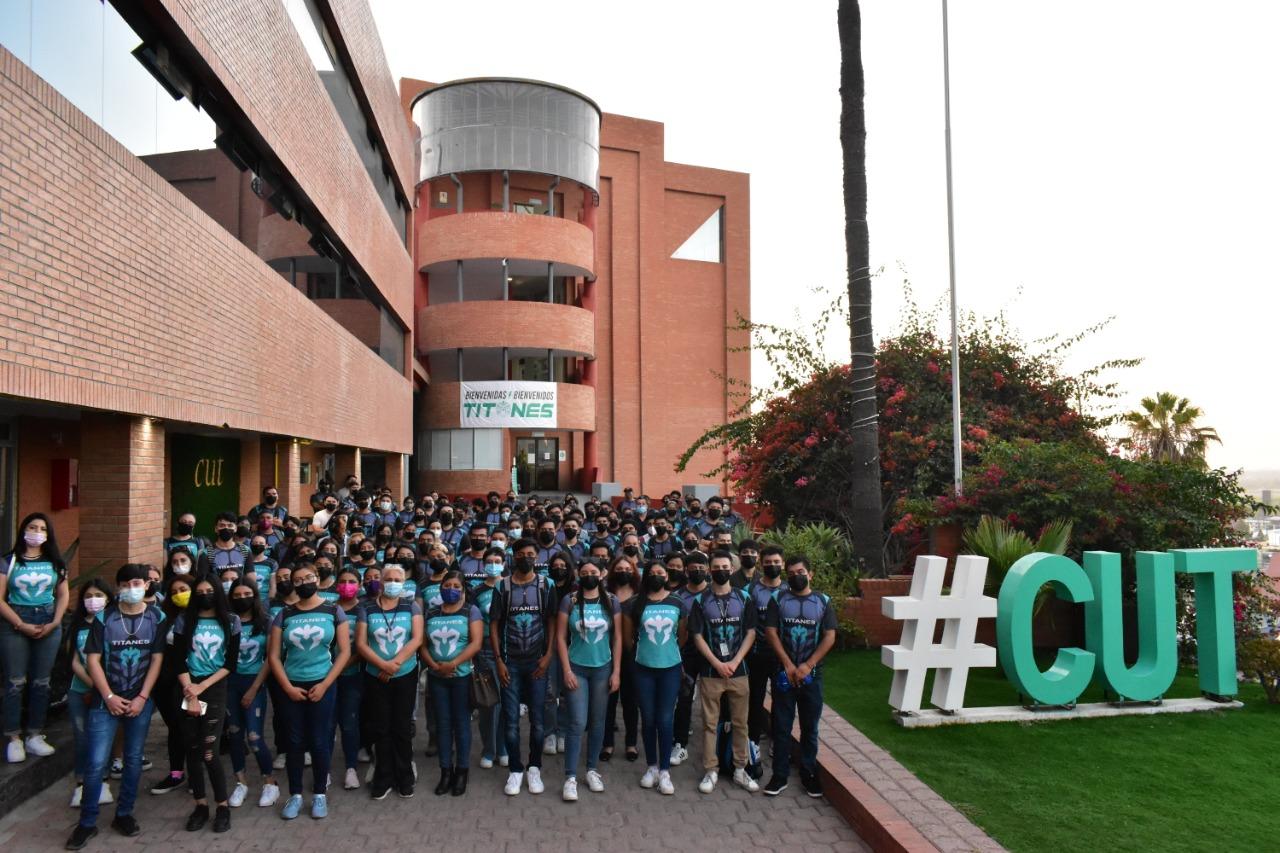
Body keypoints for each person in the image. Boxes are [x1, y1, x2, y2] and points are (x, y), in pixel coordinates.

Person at [65, 564, 167, 851]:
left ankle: (124, 814)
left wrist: (143, 697)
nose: (132, 587)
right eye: (126, 583)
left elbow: (157, 659)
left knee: (133, 759)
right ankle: (86, 823)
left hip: (140, 700)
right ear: (119, 587)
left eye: (137, 582)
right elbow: (93, 660)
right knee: (96, 763)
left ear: (146, 585)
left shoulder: (157, 618)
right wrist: (108, 696)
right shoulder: (103, 618)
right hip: (103, 701)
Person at [267, 562, 351, 820]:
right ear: (293, 583)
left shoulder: (333, 610)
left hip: (322, 684)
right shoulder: (285, 614)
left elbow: (344, 652)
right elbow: (273, 656)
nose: (304, 583)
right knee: (294, 742)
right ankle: (294, 795)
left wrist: (326, 684)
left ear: (317, 578)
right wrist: (288, 688)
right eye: (299, 579)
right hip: (291, 686)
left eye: (309, 577)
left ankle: (318, 795)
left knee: (319, 740)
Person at [763, 556, 837, 798]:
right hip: (783, 674)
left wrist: (808, 665)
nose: (797, 575)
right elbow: (771, 632)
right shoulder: (778, 599)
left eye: (801, 571)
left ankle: (808, 774)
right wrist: (787, 664)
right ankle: (779, 775)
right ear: (786, 576)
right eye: (792, 572)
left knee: (809, 728)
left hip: (811, 676)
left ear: (811, 574)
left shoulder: (823, 602)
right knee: (781, 727)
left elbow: (829, 636)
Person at [1, 512, 70, 763]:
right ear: (23, 530)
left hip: (48, 621)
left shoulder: (56, 562)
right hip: (14, 623)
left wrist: (55, 622)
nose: (37, 532)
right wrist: (20, 624)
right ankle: (13, 737)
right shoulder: (9, 561)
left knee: (42, 682)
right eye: (32, 527)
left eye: (42, 528)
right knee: (15, 681)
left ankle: (34, 734)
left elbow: (63, 595)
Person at [490, 539, 557, 797]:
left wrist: (548, 655)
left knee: (538, 722)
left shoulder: (546, 585)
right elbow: (494, 625)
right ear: (513, 557)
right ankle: (516, 770)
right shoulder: (502, 586)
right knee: (510, 721)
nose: (525, 558)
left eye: (531, 554)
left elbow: (552, 622)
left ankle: (534, 767)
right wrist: (498, 660)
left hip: (537, 662)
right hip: (510, 663)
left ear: (537, 557)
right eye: (521, 554)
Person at [173, 576, 239, 833]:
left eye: (209, 591)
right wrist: (190, 691)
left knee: (209, 751)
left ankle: (222, 806)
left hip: (214, 688)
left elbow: (229, 664)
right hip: (188, 686)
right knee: (191, 748)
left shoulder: (230, 621)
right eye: (199, 592)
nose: (204, 595)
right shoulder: (183, 621)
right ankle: (200, 805)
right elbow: (178, 659)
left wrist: (202, 688)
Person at [689, 550, 758, 793]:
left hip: (739, 671)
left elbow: (751, 632)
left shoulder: (745, 597)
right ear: (709, 570)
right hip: (710, 671)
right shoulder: (700, 601)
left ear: (732, 569)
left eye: (725, 566)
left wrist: (736, 660)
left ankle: (740, 768)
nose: (721, 570)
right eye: (716, 567)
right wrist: (717, 663)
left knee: (741, 722)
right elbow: (696, 635)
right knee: (709, 723)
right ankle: (711, 769)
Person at [621, 562, 689, 795]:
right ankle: (651, 766)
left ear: (667, 576)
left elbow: (683, 635)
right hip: (643, 668)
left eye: (661, 573)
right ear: (645, 577)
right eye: (652, 573)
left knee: (665, 718)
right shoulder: (634, 604)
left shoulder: (678, 602)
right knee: (648, 718)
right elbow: (629, 638)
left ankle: (665, 771)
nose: (657, 576)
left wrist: (667, 653)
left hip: (670, 667)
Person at [357, 562, 423, 799]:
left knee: (402, 727)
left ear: (404, 583)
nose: (392, 584)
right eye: (388, 579)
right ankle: (383, 777)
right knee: (381, 727)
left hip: (404, 673)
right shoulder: (367, 608)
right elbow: (361, 644)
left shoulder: (411, 606)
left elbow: (416, 639)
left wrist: (394, 664)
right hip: (376, 675)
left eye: (397, 580)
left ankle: (405, 776)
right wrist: (382, 665)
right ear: (380, 582)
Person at [557, 559, 621, 800]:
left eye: (593, 572)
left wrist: (616, 671)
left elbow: (617, 639)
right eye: (584, 573)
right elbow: (561, 638)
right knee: (576, 722)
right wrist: (566, 670)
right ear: (577, 575)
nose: (589, 576)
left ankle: (592, 769)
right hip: (577, 669)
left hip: (602, 668)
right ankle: (570, 776)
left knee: (598, 721)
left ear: (602, 574)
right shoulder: (570, 601)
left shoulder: (611, 601)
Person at [421, 571, 482, 796]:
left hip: (461, 677)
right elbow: (423, 644)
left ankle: (462, 772)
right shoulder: (432, 612)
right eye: (447, 584)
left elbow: (476, 643)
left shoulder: (470, 611)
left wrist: (453, 663)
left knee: (462, 725)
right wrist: (434, 666)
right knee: (443, 726)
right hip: (437, 678)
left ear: (463, 589)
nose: (451, 588)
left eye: (456, 585)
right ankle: (445, 771)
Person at [224, 578, 279, 809]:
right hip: (229, 683)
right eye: (236, 595)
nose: (241, 598)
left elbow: (270, 658)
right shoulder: (226, 622)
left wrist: (255, 688)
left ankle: (270, 782)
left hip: (254, 682)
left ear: (254, 596)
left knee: (255, 737)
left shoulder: (266, 621)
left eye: (246, 594)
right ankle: (241, 783)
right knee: (234, 734)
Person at [67, 580, 115, 808]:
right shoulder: (77, 625)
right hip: (80, 689)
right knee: (82, 737)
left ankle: (103, 780)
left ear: (108, 598)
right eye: (88, 595)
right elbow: (75, 660)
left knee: (101, 738)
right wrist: (90, 683)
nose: (93, 599)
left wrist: (100, 688)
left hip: (106, 692)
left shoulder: (114, 624)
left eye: (98, 594)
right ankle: (80, 783)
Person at [669, 551, 708, 768]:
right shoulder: (677, 596)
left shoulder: (713, 594)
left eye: (701, 568)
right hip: (685, 653)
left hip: (711, 654)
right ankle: (680, 743)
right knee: (684, 699)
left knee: (714, 701)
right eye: (693, 568)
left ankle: (716, 744)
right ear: (686, 571)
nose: (697, 572)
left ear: (707, 570)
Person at [471, 547, 507, 769]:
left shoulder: (510, 587)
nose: (493, 564)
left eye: (497, 560)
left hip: (507, 649)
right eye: (489, 561)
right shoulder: (476, 591)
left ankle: (503, 747)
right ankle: (489, 749)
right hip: (484, 649)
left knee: (505, 702)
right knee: (488, 703)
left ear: (504, 563)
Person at [747, 545, 785, 753]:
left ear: (783, 564)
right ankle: (753, 741)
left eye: (776, 562)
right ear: (761, 564)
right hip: (757, 654)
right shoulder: (751, 590)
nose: (772, 566)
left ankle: (776, 741)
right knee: (756, 699)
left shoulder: (788, 590)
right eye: (768, 563)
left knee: (781, 700)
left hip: (781, 656)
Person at [602, 554, 639, 762]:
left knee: (630, 701)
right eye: (619, 569)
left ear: (633, 572)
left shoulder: (640, 594)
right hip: (606, 652)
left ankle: (631, 743)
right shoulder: (605, 594)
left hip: (633, 655)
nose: (623, 572)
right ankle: (607, 743)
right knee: (608, 700)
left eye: (627, 569)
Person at [333, 567, 364, 789]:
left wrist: (344, 663)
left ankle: (350, 768)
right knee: (327, 724)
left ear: (359, 585)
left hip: (353, 675)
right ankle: (323, 770)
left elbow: (364, 645)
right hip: (326, 674)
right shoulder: (329, 609)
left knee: (349, 723)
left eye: (352, 581)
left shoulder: (364, 610)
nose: (347, 585)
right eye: (342, 581)